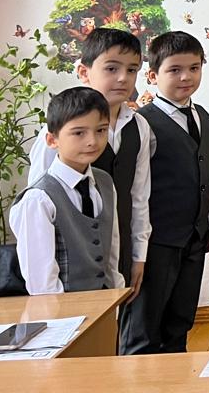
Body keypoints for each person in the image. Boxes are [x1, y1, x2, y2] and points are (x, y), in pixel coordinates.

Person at [27, 27, 152, 301]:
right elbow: (39, 199)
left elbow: (139, 197)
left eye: (132, 70)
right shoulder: (58, 131)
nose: (123, 78)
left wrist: (138, 255)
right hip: (68, 269)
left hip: (115, 252)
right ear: (84, 72)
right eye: (111, 68)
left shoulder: (140, 126)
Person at [122, 31, 209, 355]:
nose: (186, 77)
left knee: (180, 323)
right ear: (152, 76)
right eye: (175, 70)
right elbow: (135, 190)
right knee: (143, 329)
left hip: (194, 242)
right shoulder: (141, 123)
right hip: (156, 244)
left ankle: (174, 378)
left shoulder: (206, 120)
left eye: (194, 68)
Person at [11, 87, 124, 293]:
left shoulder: (105, 182)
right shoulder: (39, 198)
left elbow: (111, 251)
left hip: (105, 302)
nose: (92, 141)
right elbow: (42, 285)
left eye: (101, 130)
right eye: (79, 133)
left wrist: (115, 297)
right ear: (52, 140)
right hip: (63, 308)